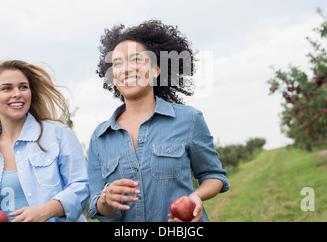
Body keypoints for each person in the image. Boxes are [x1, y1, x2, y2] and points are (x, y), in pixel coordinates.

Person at [87, 20, 230, 222]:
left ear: (156, 70)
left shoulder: (189, 119)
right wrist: (105, 199)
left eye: (136, 59)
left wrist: (196, 197)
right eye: (117, 63)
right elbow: (97, 208)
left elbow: (214, 175)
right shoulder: (100, 138)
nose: (126, 69)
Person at [0, 60, 89, 222]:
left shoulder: (58, 134)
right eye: (7, 88)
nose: (17, 93)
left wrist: (45, 211)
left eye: (23, 87)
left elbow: (82, 186)